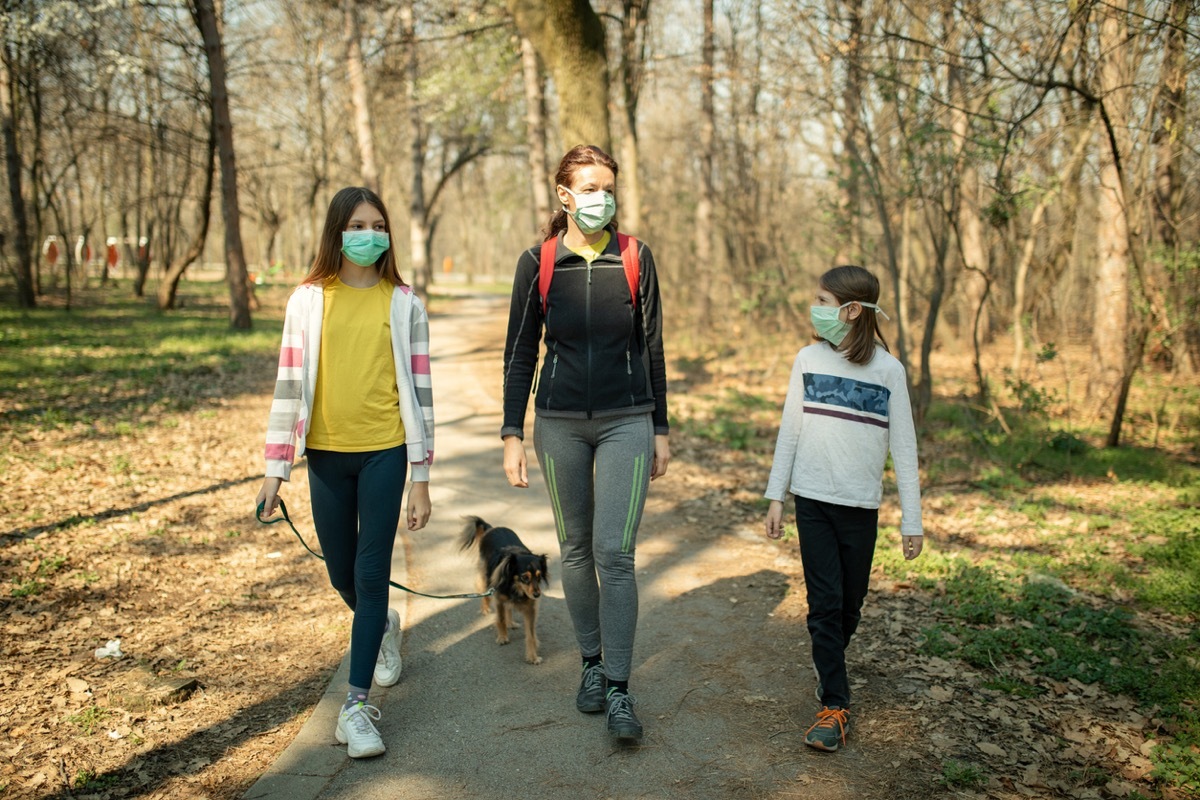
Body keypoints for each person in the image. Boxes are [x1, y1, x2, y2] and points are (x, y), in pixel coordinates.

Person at [255, 186, 435, 759]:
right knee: (341, 575)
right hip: (326, 457)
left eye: (379, 225)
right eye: (358, 224)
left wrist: (421, 475)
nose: (370, 235)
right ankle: (381, 626)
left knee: (371, 570)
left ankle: (354, 708)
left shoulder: (404, 302)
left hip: (385, 452)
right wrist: (274, 470)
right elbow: (288, 386)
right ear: (337, 232)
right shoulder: (307, 300)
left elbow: (422, 395)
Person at [501, 145, 670, 741]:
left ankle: (621, 690)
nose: (601, 197)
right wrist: (512, 432)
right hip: (558, 424)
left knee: (614, 554)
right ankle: (592, 666)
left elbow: (652, 347)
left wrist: (661, 428)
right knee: (574, 550)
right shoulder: (538, 262)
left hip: (628, 418)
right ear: (564, 196)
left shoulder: (636, 257)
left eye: (608, 186)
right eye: (589, 187)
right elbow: (520, 351)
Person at [763, 265, 924, 753]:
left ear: (853, 311)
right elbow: (790, 429)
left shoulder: (888, 371)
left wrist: (911, 520)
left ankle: (827, 659)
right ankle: (834, 704)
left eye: (824, 302)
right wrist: (777, 495)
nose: (816, 309)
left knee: (849, 607)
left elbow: (905, 447)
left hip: (860, 507)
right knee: (824, 607)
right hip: (812, 501)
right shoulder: (807, 359)